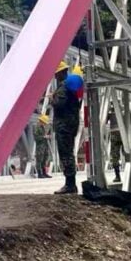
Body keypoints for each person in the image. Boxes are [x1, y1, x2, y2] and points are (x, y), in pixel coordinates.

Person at [50, 61, 81, 194]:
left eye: (57, 74)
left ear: (62, 73)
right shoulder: (70, 88)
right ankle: (70, 183)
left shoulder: (63, 87)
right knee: (69, 152)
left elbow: (59, 104)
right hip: (71, 123)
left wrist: (52, 98)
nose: (55, 77)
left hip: (64, 125)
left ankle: (70, 184)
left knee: (66, 153)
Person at [34, 114, 52, 179]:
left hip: (44, 146)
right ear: (41, 121)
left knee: (44, 159)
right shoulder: (37, 127)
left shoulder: (42, 127)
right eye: (44, 122)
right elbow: (36, 138)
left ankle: (44, 173)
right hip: (40, 147)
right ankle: (39, 174)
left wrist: (46, 137)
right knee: (39, 160)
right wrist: (44, 137)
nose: (45, 124)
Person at [108, 108, 123, 183]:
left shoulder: (110, 112)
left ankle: (117, 176)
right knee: (128, 155)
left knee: (115, 156)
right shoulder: (125, 109)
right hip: (124, 133)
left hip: (114, 134)